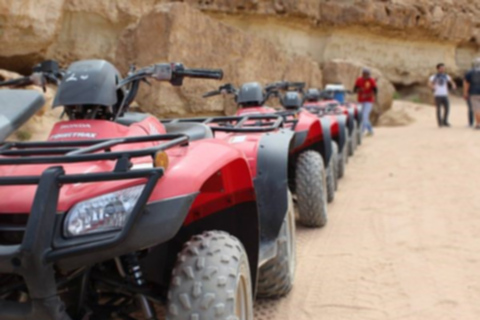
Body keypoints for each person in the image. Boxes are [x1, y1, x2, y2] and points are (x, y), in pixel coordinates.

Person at [429, 63, 456, 127]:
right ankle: (440, 122)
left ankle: (445, 121)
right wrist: (432, 87)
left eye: (443, 68)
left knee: (447, 108)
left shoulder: (446, 76)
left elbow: (451, 81)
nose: (443, 69)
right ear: (438, 69)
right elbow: (429, 83)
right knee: (438, 109)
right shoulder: (434, 76)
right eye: (441, 68)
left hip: (445, 94)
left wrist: (453, 85)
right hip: (437, 94)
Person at [354, 68, 377, 136]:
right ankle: (370, 130)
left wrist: (367, 95)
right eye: (366, 74)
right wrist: (359, 90)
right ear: (363, 74)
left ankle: (362, 131)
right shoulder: (359, 80)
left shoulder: (371, 80)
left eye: (368, 75)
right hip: (360, 100)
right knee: (363, 116)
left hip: (369, 101)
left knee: (365, 115)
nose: (367, 76)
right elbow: (355, 89)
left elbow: (375, 91)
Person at [464, 57, 480, 129]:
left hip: (474, 93)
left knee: (476, 109)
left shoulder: (470, 72)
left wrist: (465, 93)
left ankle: (478, 123)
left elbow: (467, 83)